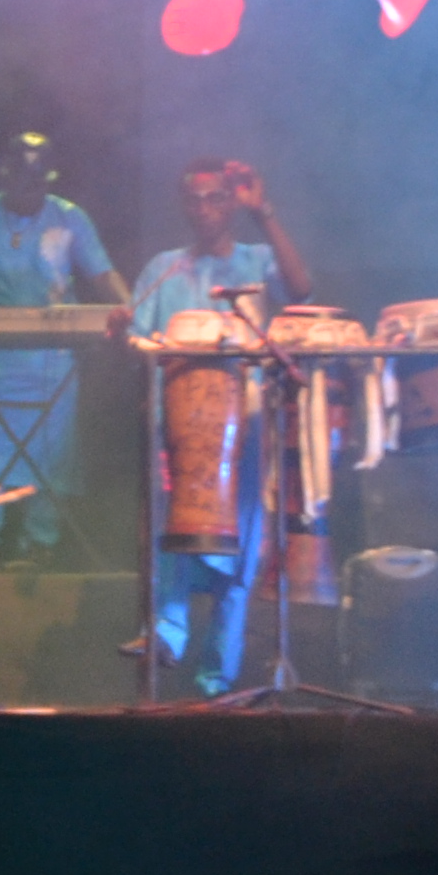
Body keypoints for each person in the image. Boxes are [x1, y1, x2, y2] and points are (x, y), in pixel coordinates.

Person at [118, 159, 318, 693]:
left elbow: (300, 290)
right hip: (178, 431)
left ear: (231, 203)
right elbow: (136, 338)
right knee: (171, 537)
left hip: (244, 427)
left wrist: (265, 213)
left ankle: (217, 674)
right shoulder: (164, 268)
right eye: (194, 199)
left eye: (214, 199)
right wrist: (118, 332)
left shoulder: (255, 260)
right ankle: (163, 635)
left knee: (239, 542)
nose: (203, 209)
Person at [0, 132, 124, 556]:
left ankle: (41, 545)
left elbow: (101, 274)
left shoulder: (70, 217)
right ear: (5, 176)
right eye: (23, 179)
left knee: (52, 455)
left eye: (39, 181)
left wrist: (130, 309)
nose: (31, 189)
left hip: (53, 359)